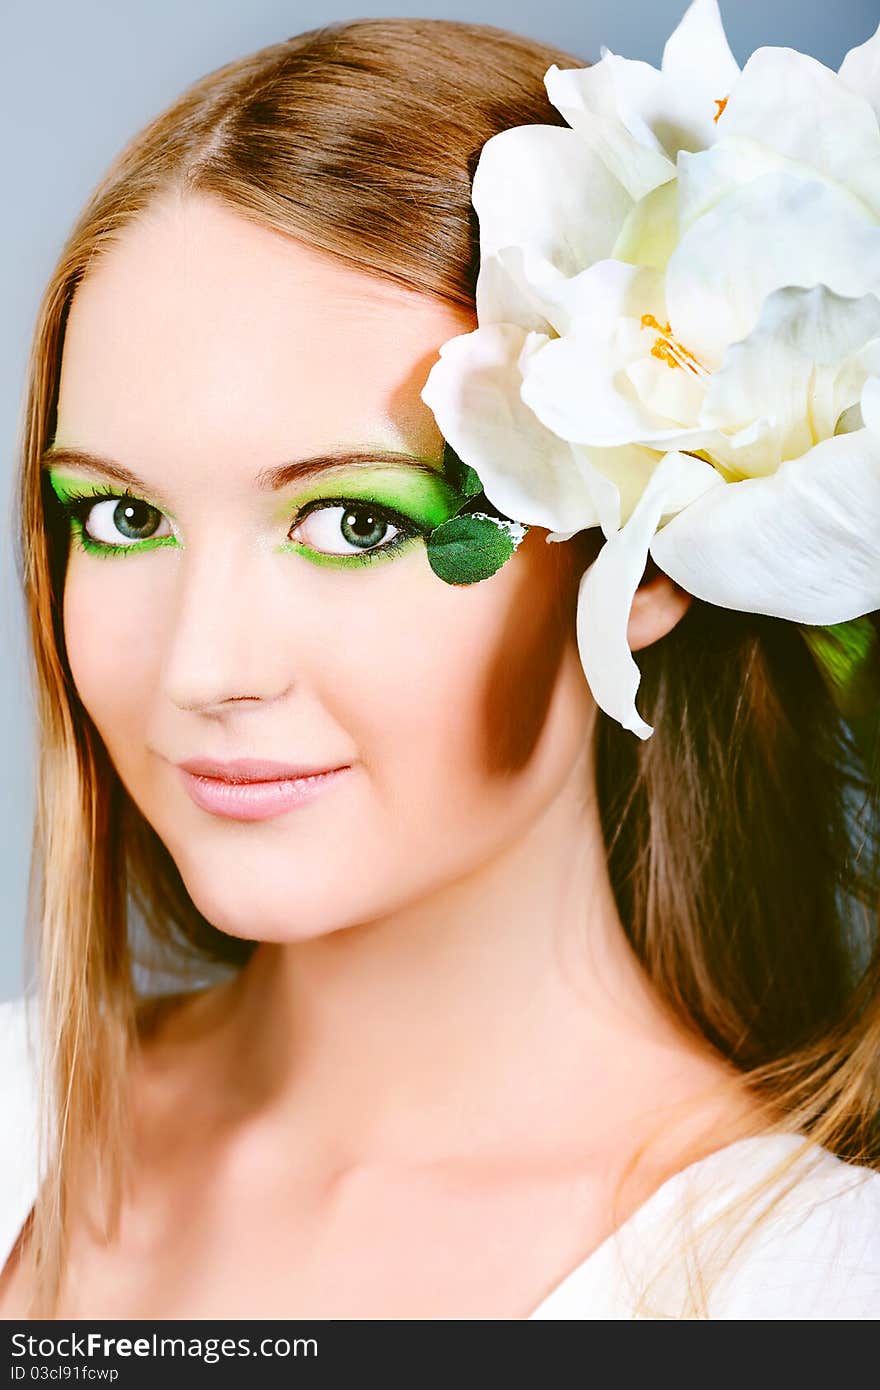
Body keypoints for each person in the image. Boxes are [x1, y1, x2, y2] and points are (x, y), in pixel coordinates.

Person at [1, 11, 879, 1321]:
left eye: (361, 522)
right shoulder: (16, 1107)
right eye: (123, 518)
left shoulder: (816, 1283)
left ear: (647, 560)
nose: (200, 666)